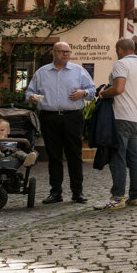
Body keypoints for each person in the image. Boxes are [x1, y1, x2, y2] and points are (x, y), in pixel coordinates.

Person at [26, 41, 96, 204]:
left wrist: (83, 92)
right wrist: (33, 97)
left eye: (68, 52)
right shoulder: (42, 72)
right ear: (54, 53)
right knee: (54, 155)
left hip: (72, 117)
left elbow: (92, 91)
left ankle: (77, 192)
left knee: (74, 155)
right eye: (62, 51)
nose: (65, 54)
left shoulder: (78, 71)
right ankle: (55, 192)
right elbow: (30, 92)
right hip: (49, 118)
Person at [94, 38, 137, 210]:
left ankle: (118, 197)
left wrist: (104, 93)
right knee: (134, 158)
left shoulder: (121, 64)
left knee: (117, 156)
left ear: (119, 49)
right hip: (136, 117)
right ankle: (136, 196)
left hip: (120, 116)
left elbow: (118, 89)